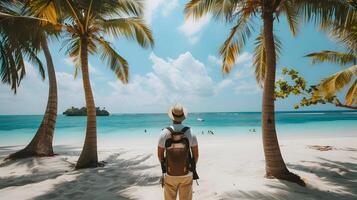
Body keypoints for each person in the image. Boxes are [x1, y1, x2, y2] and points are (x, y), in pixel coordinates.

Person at [157, 104, 199, 200]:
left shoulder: (164, 133)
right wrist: (189, 167)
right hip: (186, 174)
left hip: (169, 174)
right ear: (183, 117)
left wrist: (167, 167)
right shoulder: (190, 132)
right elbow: (196, 155)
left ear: (172, 116)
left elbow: (160, 155)